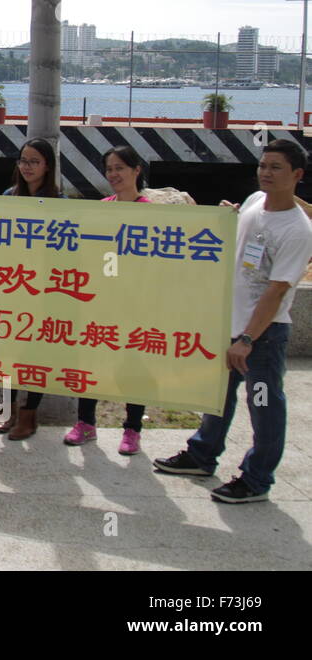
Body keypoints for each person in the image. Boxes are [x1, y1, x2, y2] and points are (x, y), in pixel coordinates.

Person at [153, 139, 312, 503]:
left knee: (265, 406)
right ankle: (202, 454)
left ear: (297, 175)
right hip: (228, 324)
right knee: (217, 398)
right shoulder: (256, 203)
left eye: (276, 168)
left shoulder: (298, 230)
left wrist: (248, 339)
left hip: (262, 337)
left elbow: (275, 292)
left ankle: (257, 479)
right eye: (263, 165)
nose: (266, 173)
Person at [64, 145, 150, 454]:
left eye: (120, 168)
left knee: (133, 368)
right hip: (102, 301)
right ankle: (86, 423)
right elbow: (99, 256)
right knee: (92, 364)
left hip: (138, 304)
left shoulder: (151, 211)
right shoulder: (103, 207)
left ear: (136, 170)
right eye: (109, 169)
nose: (113, 174)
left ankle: (132, 429)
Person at [0, 136, 63, 438]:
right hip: (11, 286)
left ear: (47, 166)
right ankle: (7, 411)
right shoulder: (9, 195)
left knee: (35, 357)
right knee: (8, 351)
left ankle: (28, 415)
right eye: (23, 160)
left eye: (34, 161)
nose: (27, 167)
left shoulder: (59, 204)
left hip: (45, 291)